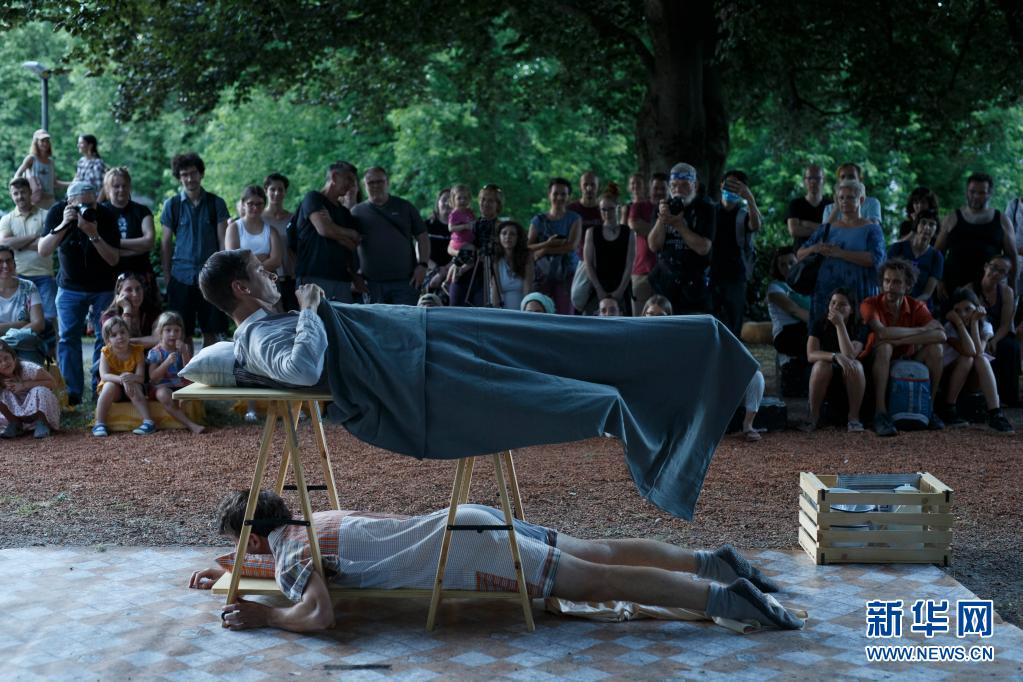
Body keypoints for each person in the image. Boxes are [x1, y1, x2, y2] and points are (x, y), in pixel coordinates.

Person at [198, 249, 759, 520]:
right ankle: (681, 411)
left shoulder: (270, 320)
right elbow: (301, 370)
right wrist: (309, 309)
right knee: (580, 384)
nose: (270, 274)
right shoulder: (256, 337)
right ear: (240, 290)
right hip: (419, 365)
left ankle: (702, 342)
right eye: (259, 272)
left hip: (423, 334)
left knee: (570, 337)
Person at [189, 489, 803, 633]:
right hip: (469, 515)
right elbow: (291, 565)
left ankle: (727, 601)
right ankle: (713, 563)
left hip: (470, 548)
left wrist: (266, 616)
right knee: (599, 552)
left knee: (597, 582)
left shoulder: (292, 554)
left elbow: (317, 614)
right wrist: (227, 570)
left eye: (242, 546)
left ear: (256, 540)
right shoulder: (312, 521)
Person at [37, 181, 121, 406]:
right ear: (69, 202)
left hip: (103, 287)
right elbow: (43, 250)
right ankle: (72, 393)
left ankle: (100, 387)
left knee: (104, 338)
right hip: (69, 288)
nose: (87, 208)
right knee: (67, 338)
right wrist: (64, 224)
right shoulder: (58, 212)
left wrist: (93, 234)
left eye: (91, 204)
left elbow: (113, 259)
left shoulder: (106, 215)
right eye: (81, 205)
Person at [860, 259, 947, 437]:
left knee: (936, 349)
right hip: (876, 360)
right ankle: (880, 413)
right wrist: (921, 330)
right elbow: (882, 332)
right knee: (885, 347)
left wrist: (899, 341)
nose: (890, 287)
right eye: (887, 281)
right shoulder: (870, 303)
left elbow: (941, 335)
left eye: (897, 282)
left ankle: (929, 409)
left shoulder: (917, 306)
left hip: (907, 359)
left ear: (907, 286)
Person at [160, 152, 230, 350]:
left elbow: (223, 241)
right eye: (184, 174)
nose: (189, 178)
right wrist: (167, 275)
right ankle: (187, 370)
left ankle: (208, 369)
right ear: (179, 177)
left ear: (201, 174)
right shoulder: (172, 205)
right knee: (182, 333)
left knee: (212, 332)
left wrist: (223, 274)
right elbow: (166, 243)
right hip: (181, 277)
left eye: (193, 173)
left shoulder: (216, 203)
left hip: (211, 277)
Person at [797, 178, 885, 328]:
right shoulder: (827, 229)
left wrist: (841, 253)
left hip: (858, 292)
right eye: (841, 197)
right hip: (825, 293)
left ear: (861, 200)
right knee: (822, 333)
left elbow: (876, 259)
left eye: (850, 197)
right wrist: (815, 248)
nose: (844, 201)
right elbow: (799, 254)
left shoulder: (872, 229)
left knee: (857, 333)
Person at [937, 288, 1013, 432]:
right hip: (947, 379)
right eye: (957, 311)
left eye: (968, 309)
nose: (963, 314)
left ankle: (995, 413)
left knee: (981, 359)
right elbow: (969, 351)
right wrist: (959, 323)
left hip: (970, 381)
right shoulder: (949, 328)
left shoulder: (986, 326)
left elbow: (978, 352)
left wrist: (974, 323)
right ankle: (949, 408)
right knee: (967, 358)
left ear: (977, 308)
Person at [352, 167, 430, 305]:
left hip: (406, 282)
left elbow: (422, 236)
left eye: (380, 181)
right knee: (374, 319)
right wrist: (354, 275)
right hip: (371, 284)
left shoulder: (405, 207)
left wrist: (423, 265)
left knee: (405, 318)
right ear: (364, 185)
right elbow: (348, 244)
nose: (376, 185)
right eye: (371, 182)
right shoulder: (356, 212)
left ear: (387, 182)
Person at [647, 163, 715, 315]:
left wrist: (679, 226)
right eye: (674, 185)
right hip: (665, 282)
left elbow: (703, 248)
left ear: (695, 186)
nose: (678, 190)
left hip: (693, 285)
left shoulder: (706, 208)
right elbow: (653, 246)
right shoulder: (663, 207)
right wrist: (662, 218)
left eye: (684, 185)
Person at [937, 172, 1017, 296]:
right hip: (952, 287)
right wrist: (939, 280)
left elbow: (1012, 257)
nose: (976, 196)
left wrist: (1012, 289)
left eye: (981, 193)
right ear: (966, 192)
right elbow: (938, 253)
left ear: (990, 193)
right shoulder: (951, 218)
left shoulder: (1002, 220)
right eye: (972, 192)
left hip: (988, 290)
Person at [293, 161, 362, 303]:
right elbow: (324, 229)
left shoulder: (345, 212)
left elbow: (354, 244)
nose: (351, 185)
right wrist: (347, 233)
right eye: (348, 179)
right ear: (335, 177)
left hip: (342, 279)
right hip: (313, 277)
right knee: (314, 317)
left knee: (341, 318)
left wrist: (332, 228)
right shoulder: (313, 198)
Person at [804, 288, 867, 432]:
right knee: (821, 365)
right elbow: (811, 354)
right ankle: (813, 417)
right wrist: (835, 356)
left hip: (850, 375)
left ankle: (854, 418)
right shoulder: (819, 323)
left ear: (852, 309)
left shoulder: (859, 326)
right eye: (833, 303)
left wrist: (840, 325)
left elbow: (850, 355)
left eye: (842, 304)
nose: (836, 307)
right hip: (823, 370)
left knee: (855, 365)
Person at [710, 170, 762, 337]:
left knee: (734, 326)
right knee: (710, 323)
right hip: (710, 274)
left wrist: (750, 198)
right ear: (721, 185)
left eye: (736, 185)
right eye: (729, 184)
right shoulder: (710, 211)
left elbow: (755, 225)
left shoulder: (743, 214)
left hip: (735, 275)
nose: (731, 188)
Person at [966, 255, 1020, 407]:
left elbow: (1006, 324)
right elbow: (967, 321)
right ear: (986, 266)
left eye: (1002, 271)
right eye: (994, 267)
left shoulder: (1007, 292)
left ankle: (1009, 397)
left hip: (998, 333)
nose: (996, 273)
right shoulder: (970, 290)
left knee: (1011, 347)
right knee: (981, 351)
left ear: (1006, 275)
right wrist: (985, 340)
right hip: (975, 332)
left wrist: (994, 340)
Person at [0, 178, 55, 322]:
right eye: (16, 193)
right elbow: (4, 243)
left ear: (30, 192)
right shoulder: (7, 219)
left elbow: (49, 244)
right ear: (11, 195)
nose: (20, 196)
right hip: (18, 276)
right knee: (22, 319)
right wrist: (35, 236)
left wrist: (17, 243)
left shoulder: (46, 215)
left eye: (23, 192)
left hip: (44, 276)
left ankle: (50, 339)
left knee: (49, 318)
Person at [93, 315, 155, 437]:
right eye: (114, 335)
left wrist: (131, 378)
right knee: (109, 385)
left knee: (134, 385)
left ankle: (148, 421)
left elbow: (141, 377)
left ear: (128, 333)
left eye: (122, 332)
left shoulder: (137, 351)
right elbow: (104, 376)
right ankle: (99, 423)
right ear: (108, 340)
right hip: (114, 390)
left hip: (132, 387)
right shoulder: (106, 352)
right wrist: (122, 379)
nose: (120, 337)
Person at [528, 178, 581, 314]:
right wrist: (547, 244)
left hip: (566, 275)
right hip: (542, 275)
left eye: (563, 194)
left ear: (569, 196)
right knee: (540, 313)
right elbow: (528, 246)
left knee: (565, 314)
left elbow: (571, 246)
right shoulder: (538, 220)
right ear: (549, 195)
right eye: (555, 193)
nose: (559, 197)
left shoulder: (574, 218)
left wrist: (544, 250)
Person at [147, 311, 205, 434]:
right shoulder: (156, 352)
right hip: (161, 385)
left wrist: (184, 353)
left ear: (181, 333)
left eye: (176, 330)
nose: (172, 334)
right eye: (168, 330)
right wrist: (166, 363)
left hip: (180, 383)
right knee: (163, 395)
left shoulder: (182, 348)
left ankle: (182, 413)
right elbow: (153, 378)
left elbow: (189, 372)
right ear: (160, 332)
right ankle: (191, 425)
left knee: (199, 387)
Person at [578, 192, 635, 315]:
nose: (607, 213)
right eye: (603, 209)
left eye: (611, 209)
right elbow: (588, 263)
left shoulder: (628, 233)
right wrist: (599, 289)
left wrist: (620, 290)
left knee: (623, 322)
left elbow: (629, 264)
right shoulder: (592, 232)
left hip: (622, 284)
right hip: (597, 284)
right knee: (594, 321)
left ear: (617, 208)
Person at [102, 167, 157, 294]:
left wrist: (113, 244)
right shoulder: (100, 212)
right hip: (109, 279)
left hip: (141, 276)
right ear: (108, 188)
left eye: (124, 185)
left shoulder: (142, 211)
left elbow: (149, 241)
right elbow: (97, 247)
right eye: (116, 186)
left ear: (130, 187)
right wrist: (138, 248)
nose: (121, 189)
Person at [448, 185, 503, 307]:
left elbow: (502, 252)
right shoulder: (471, 223)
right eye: (483, 199)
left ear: (498, 204)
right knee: (455, 310)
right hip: (462, 274)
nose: (485, 203)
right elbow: (450, 247)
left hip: (486, 277)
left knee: (480, 313)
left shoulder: (502, 228)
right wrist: (461, 255)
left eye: (490, 201)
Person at [0, 339, 59, 439]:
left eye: (6, 358)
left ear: (14, 357)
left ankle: (43, 423)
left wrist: (24, 385)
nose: (4, 363)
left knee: (40, 390)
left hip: (40, 408)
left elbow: (53, 383)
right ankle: (15, 424)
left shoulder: (28, 368)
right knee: (2, 393)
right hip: (19, 411)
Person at [886, 212, 943, 310]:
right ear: (916, 225)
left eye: (931, 224)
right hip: (893, 302)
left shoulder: (936, 257)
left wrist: (908, 306)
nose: (927, 227)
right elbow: (885, 280)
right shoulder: (897, 248)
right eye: (923, 223)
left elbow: (927, 293)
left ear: (936, 230)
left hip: (919, 307)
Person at [627, 172, 665, 315]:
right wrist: (663, 232)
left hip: (665, 274)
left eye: (663, 188)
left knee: (665, 318)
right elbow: (635, 225)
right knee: (639, 318)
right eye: (656, 188)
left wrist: (648, 229)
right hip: (641, 271)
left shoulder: (674, 210)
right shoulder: (639, 206)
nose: (659, 192)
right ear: (649, 189)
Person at [0, 246, 46, 360]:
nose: (5, 265)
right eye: (0, 261)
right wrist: (23, 324)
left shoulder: (28, 287)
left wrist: (6, 340)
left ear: (14, 263)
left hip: (24, 345)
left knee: (30, 366)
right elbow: (33, 323)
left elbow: (39, 324)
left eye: (8, 260)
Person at [261, 173, 297, 312]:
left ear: (285, 192)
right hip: (268, 278)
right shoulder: (259, 220)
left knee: (294, 316)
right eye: (272, 189)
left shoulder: (293, 218)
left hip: (291, 276)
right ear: (266, 190)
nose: (277, 193)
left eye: (280, 189)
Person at [765, 247, 810, 358]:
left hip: (806, 327)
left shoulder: (807, 284)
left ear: (798, 262)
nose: (788, 268)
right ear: (777, 267)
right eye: (783, 265)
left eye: (791, 263)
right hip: (786, 333)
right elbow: (794, 310)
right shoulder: (774, 287)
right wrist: (822, 323)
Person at [14, 129, 67, 210]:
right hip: (36, 202)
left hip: (50, 202)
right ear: (36, 142)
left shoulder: (51, 162)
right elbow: (17, 176)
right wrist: (23, 192)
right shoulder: (31, 159)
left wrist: (72, 183)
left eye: (47, 141)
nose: (45, 143)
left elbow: (55, 183)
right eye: (42, 141)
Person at [785, 163, 831, 249]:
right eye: (809, 178)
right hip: (800, 253)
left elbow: (833, 230)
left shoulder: (831, 205)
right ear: (804, 181)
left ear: (824, 180)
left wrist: (806, 224)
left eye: (817, 178)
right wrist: (822, 229)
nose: (813, 181)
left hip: (825, 253)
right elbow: (793, 231)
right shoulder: (795, 204)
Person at [490, 220, 532, 311]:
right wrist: (496, 312)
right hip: (501, 309)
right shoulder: (495, 258)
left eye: (512, 234)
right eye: (504, 233)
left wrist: (526, 312)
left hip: (522, 307)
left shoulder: (526, 256)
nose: (507, 237)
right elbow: (495, 290)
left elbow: (527, 289)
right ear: (499, 237)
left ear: (518, 237)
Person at [568, 171, 603, 263]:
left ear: (598, 186)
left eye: (593, 185)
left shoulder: (604, 209)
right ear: (580, 186)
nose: (589, 188)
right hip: (576, 261)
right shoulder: (571, 209)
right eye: (585, 184)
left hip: (600, 259)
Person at [445, 184, 476, 259]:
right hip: (459, 242)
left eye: (465, 198)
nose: (462, 200)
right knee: (472, 250)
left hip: (469, 240)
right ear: (453, 200)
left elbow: (474, 222)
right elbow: (450, 228)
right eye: (459, 198)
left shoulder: (469, 212)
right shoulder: (454, 214)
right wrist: (465, 226)